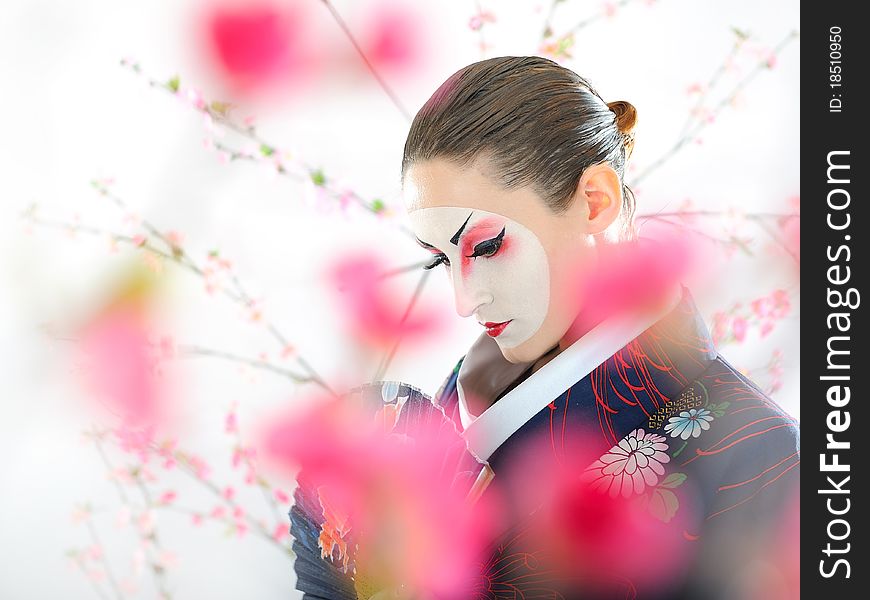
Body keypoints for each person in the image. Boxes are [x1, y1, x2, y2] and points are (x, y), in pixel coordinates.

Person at [291, 55, 800, 599]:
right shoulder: (449, 405)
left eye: (486, 247)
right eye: (442, 259)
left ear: (594, 202)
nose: (465, 300)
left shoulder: (762, 456)